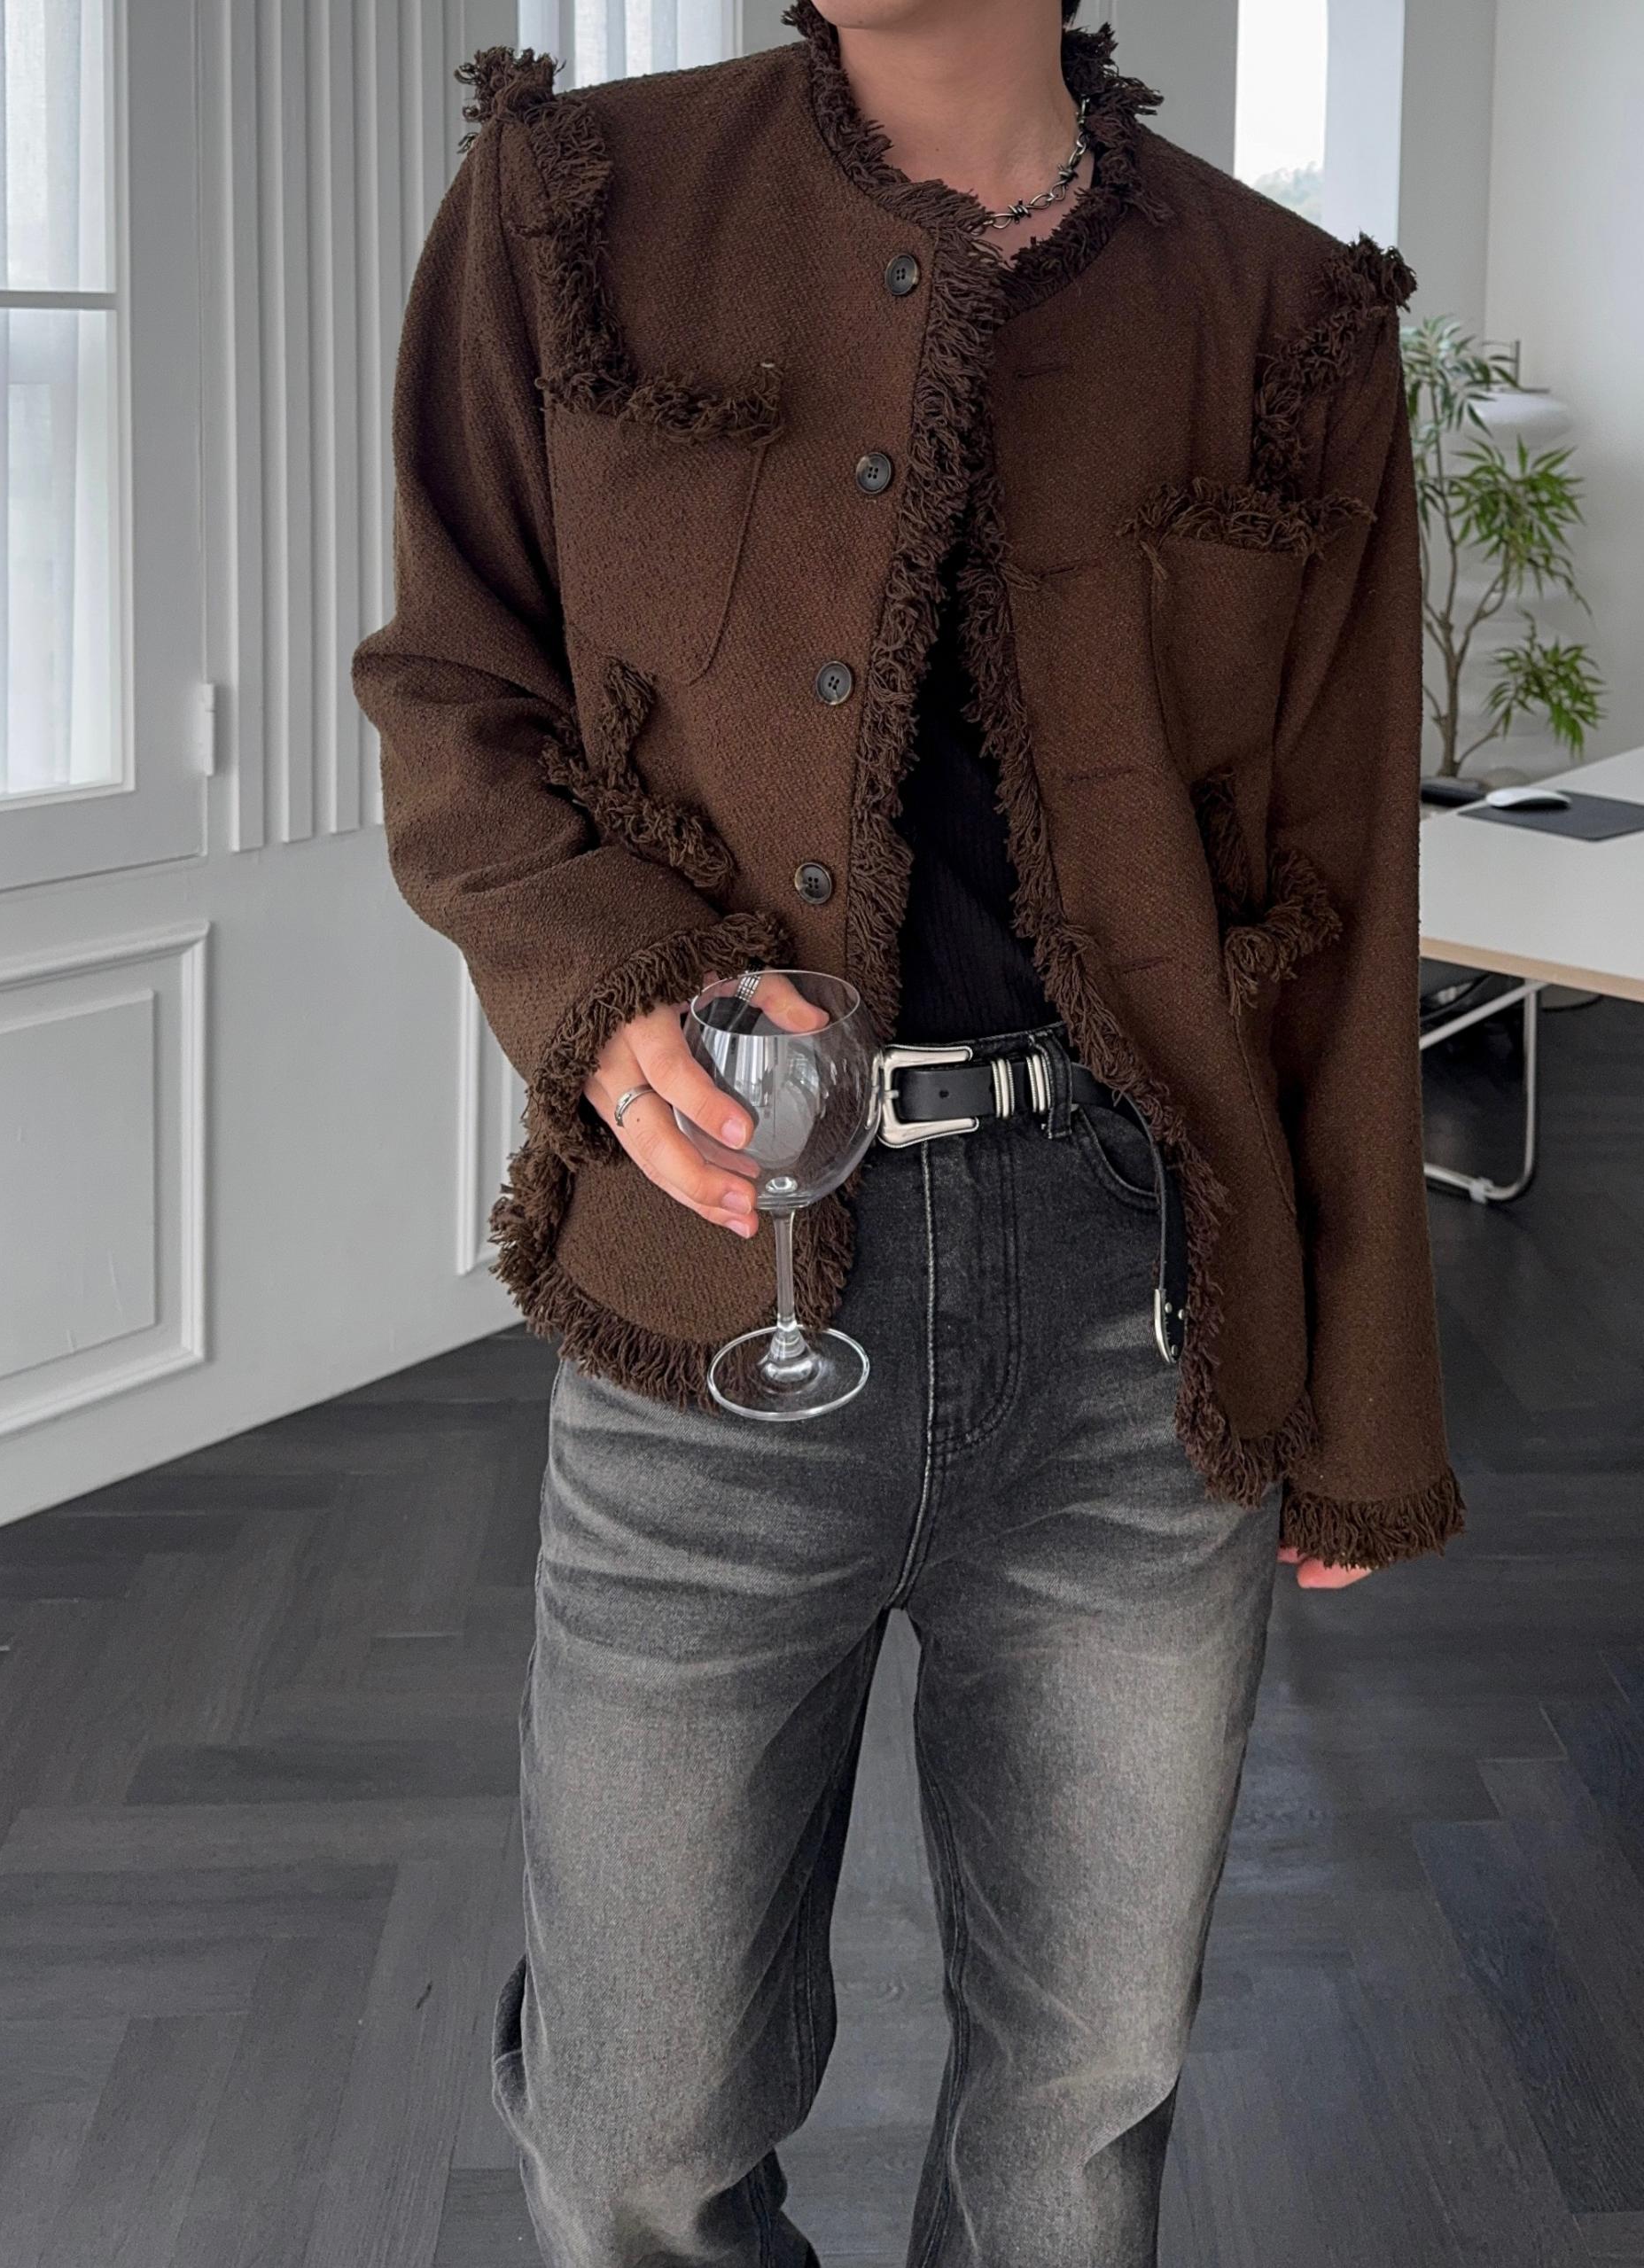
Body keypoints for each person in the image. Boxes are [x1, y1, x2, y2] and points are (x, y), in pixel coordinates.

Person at [352, 2, 1468, 2257]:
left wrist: (1360, 1396)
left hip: (1140, 1317)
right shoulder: (574, 206)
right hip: (714, 1278)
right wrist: (609, 980)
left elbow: (1342, 880)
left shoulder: (1285, 319)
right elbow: (457, 696)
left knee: (1081, 2111)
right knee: (633, 2128)